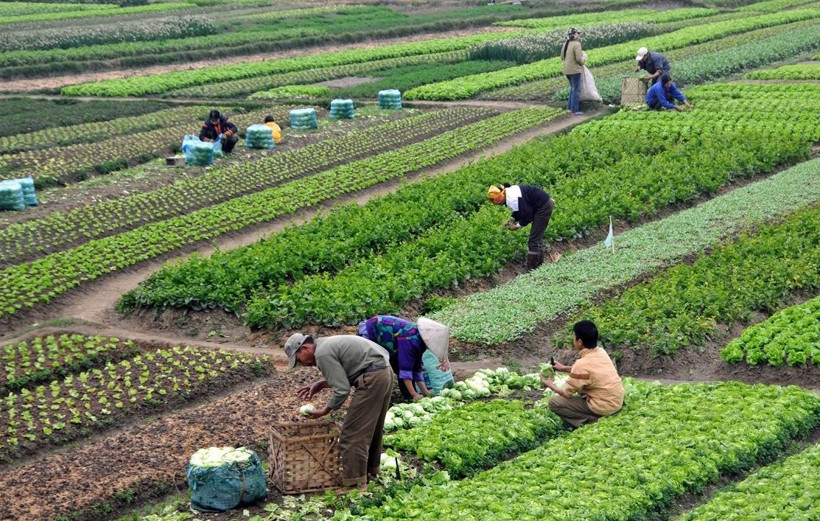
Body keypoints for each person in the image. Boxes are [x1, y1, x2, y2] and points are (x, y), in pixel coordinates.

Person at [286, 333, 393, 489]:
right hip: (384, 372)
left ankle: (355, 484)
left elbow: (342, 390)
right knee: (373, 429)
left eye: (298, 359)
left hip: (373, 377)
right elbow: (350, 371)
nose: (302, 364)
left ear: (304, 348)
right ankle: (371, 472)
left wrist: (324, 410)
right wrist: (323, 384)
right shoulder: (326, 344)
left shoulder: (321, 353)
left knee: (351, 433)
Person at [541, 320, 624, 430]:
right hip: (616, 401)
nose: (573, 340)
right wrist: (564, 368)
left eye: (574, 337)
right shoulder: (601, 352)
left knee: (554, 402)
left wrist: (549, 384)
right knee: (583, 390)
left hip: (603, 406)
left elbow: (566, 394)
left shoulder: (581, 365)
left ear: (579, 342)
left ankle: (589, 420)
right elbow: (590, 372)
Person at [357, 315, 452, 401]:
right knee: (376, 368)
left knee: (405, 366)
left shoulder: (420, 342)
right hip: (372, 332)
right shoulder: (411, 340)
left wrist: (425, 392)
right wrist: (414, 394)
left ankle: (408, 395)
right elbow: (405, 368)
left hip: (391, 340)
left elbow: (416, 368)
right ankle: (371, 397)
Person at [488, 183, 561, 269]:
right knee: (536, 238)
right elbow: (519, 209)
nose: (499, 203)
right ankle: (539, 265)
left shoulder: (513, 198)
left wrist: (517, 226)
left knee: (534, 240)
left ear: (503, 193)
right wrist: (511, 219)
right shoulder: (510, 193)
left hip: (543, 207)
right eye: (495, 202)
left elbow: (528, 215)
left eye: (498, 200)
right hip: (539, 205)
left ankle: (531, 268)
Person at [561, 27, 586, 116]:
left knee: (572, 89)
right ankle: (575, 110)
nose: (579, 35)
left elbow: (562, 57)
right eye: (578, 34)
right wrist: (583, 61)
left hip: (567, 70)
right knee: (576, 90)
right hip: (574, 70)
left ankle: (569, 108)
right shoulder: (577, 44)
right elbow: (579, 59)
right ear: (575, 36)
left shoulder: (566, 43)